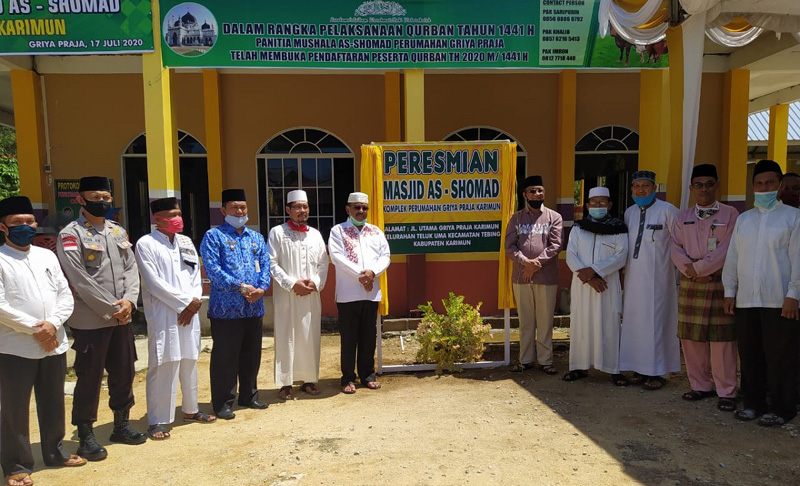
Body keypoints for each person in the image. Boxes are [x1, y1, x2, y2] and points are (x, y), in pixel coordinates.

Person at [0, 196, 86, 486]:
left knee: (52, 401)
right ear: (3, 227)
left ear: (35, 223)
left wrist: (53, 325)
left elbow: (64, 294)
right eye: (16, 223)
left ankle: (55, 452)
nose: (24, 226)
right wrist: (36, 329)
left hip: (54, 342)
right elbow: (1, 306)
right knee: (14, 408)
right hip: (15, 346)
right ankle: (16, 464)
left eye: (28, 221)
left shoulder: (46, 256)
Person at [56, 176, 144, 461]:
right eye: (96, 197)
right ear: (80, 199)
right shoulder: (71, 234)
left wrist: (129, 301)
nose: (103, 202)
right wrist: (112, 307)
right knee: (89, 378)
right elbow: (79, 279)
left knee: (124, 372)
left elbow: (131, 269)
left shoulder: (118, 231)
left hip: (123, 318)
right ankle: (86, 435)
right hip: (92, 320)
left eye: (107, 198)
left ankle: (121, 425)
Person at [722, 159, 800, 426]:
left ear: (779, 186)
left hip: (780, 300)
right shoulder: (744, 219)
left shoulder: (793, 217)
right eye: (758, 183)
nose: (763, 187)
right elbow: (733, 257)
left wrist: (794, 294)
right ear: (752, 186)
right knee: (750, 354)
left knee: (781, 356)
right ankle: (753, 404)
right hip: (747, 300)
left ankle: (782, 408)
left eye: (769, 183)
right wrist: (729, 291)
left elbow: (798, 259)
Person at [135, 197, 216, 440]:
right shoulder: (146, 244)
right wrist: (184, 303)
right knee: (165, 363)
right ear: (157, 219)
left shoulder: (186, 242)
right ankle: (158, 420)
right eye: (172, 214)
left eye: (178, 213)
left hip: (189, 313)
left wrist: (194, 302)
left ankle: (191, 409)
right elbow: (152, 282)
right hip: (164, 314)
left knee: (190, 359)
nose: (177, 218)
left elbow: (194, 275)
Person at [670, 164, 739, 411]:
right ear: (691, 188)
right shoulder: (682, 217)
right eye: (698, 185)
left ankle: (727, 391)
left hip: (720, 282)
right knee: (691, 337)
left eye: (709, 184)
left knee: (722, 340)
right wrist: (689, 269)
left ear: (717, 185)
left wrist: (700, 270)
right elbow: (675, 247)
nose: (704, 189)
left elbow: (727, 248)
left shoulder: (731, 215)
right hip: (691, 283)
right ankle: (700, 386)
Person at [199, 189, 271, 420]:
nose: (240, 211)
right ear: (223, 210)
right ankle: (222, 402)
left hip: (254, 307)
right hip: (226, 310)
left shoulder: (256, 238)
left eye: (243, 207)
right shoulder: (213, 237)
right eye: (234, 207)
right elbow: (212, 269)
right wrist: (241, 287)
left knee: (252, 354)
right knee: (225, 357)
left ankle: (249, 395)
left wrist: (261, 288)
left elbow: (265, 265)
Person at [619, 170, 680, 390]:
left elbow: (680, 244)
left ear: (654, 188)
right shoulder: (629, 213)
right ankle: (638, 367)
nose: (641, 190)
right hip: (633, 278)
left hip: (660, 280)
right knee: (635, 323)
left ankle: (657, 372)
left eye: (645, 186)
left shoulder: (669, 211)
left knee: (657, 323)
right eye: (636, 186)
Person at [563, 187, 629, 385]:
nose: (598, 206)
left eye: (602, 203)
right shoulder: (578, 227)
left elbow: (621, 256)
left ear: (609, 205)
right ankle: (579, 367)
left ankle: (613, 369)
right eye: (594, 203)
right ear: (587, 206)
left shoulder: (619, 228)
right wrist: (590, 277)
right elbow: (571, 255)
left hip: (607, 285)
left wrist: (594, 271)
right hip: (584, 284)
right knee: (581, 325)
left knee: (609, 324)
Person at [268, 190, 329, 400]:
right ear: (288, 209)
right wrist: (292, 283)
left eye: (305, 206)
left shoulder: (315, 234)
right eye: (297, 207)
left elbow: (323, 263)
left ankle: (309, 380)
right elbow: (271, 263)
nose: (302, 210)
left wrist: (315, 282)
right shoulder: (277, 233)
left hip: (310, 295)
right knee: (286, 337)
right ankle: (285, 383)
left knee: (309, 337)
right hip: (287, 295)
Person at [328, 192, 391, 394]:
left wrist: (372, 273)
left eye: (364, 208)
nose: (361, 211)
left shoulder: (375, 231)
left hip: (371, 293)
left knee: (368, 336)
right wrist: (361, 275)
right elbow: (337, 256)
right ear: (348, 209)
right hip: (348, 294)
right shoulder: (338, 231)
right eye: (357, 208)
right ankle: (347, 378)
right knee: (349, 338)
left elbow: (386, 256)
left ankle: (367, 375)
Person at [504, 175, 563, 375]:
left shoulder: (554, 217)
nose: (537, 194)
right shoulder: (516, 218)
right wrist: (525, 262)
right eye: (532, 191)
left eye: (540, 190)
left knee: (545, 320)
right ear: (524, 194)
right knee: (526, 320)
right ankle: (525, 359)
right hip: (522, 277)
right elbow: (510, 247)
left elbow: (556, 245)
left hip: (546, 277)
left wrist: (536, 264)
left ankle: (546, 361)